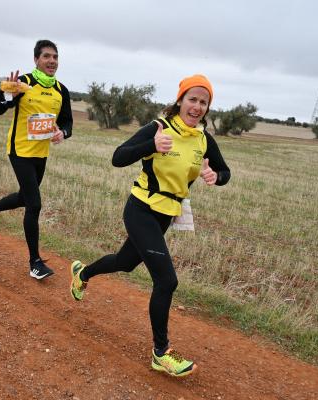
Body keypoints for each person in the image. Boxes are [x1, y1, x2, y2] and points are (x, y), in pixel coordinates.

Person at [69, 74, 231, 377]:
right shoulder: (160, 128)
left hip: (166, 214)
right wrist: (150, 146)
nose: (197, 106)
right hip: (141, 208)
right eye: (192, 99)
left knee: (125, 262)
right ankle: (161, 352)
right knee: (167, 281)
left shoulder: (203, 140)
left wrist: (215, 177)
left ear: (208, 108)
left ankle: (83, 272)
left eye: (203, 102)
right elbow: (118, 157)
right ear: (180, 100)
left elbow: (225, 171)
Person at [0, 39, 73, 281]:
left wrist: (63, 132)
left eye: (55, 57)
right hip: (19, 151)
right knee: (34, 204)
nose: (52, 61)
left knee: (24, 197)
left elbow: (68, 122)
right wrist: (7, 96)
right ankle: (35, 262)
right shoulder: (23, 84)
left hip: (41, 154)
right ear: (36, 60)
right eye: (47, 57)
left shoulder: (62, 90)